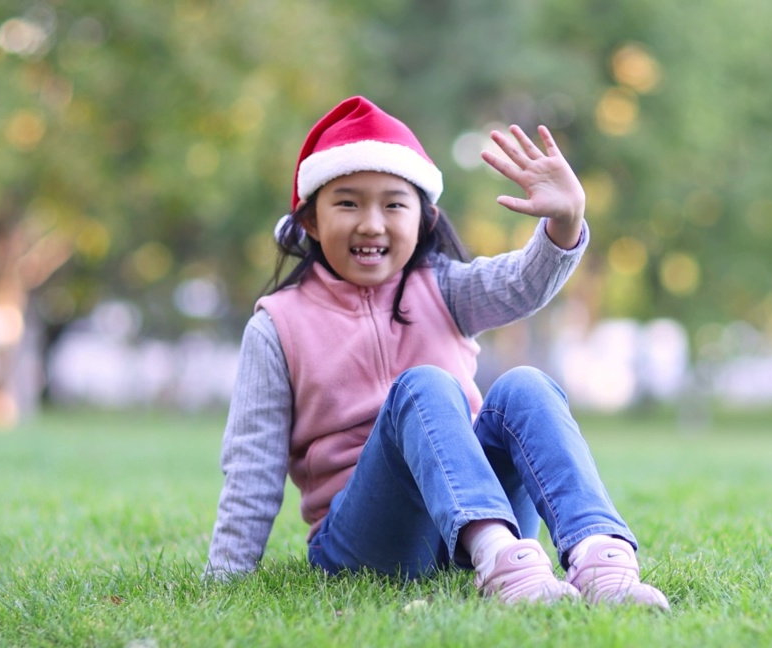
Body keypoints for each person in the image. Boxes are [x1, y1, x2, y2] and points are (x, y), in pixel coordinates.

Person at [205, 96, 668, 608]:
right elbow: (253, 462)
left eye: (393, 204)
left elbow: (521, 283)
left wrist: (564, 221)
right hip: (368, 542)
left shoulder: (444, 288)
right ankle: (502, 562)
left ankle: (601, 559)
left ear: (425, 220)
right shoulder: (278, 324)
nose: (372, 224)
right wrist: (227, 578)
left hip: (472, 520)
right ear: (310, 221)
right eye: (347, 202)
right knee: (421, 385)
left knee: (525, 385)